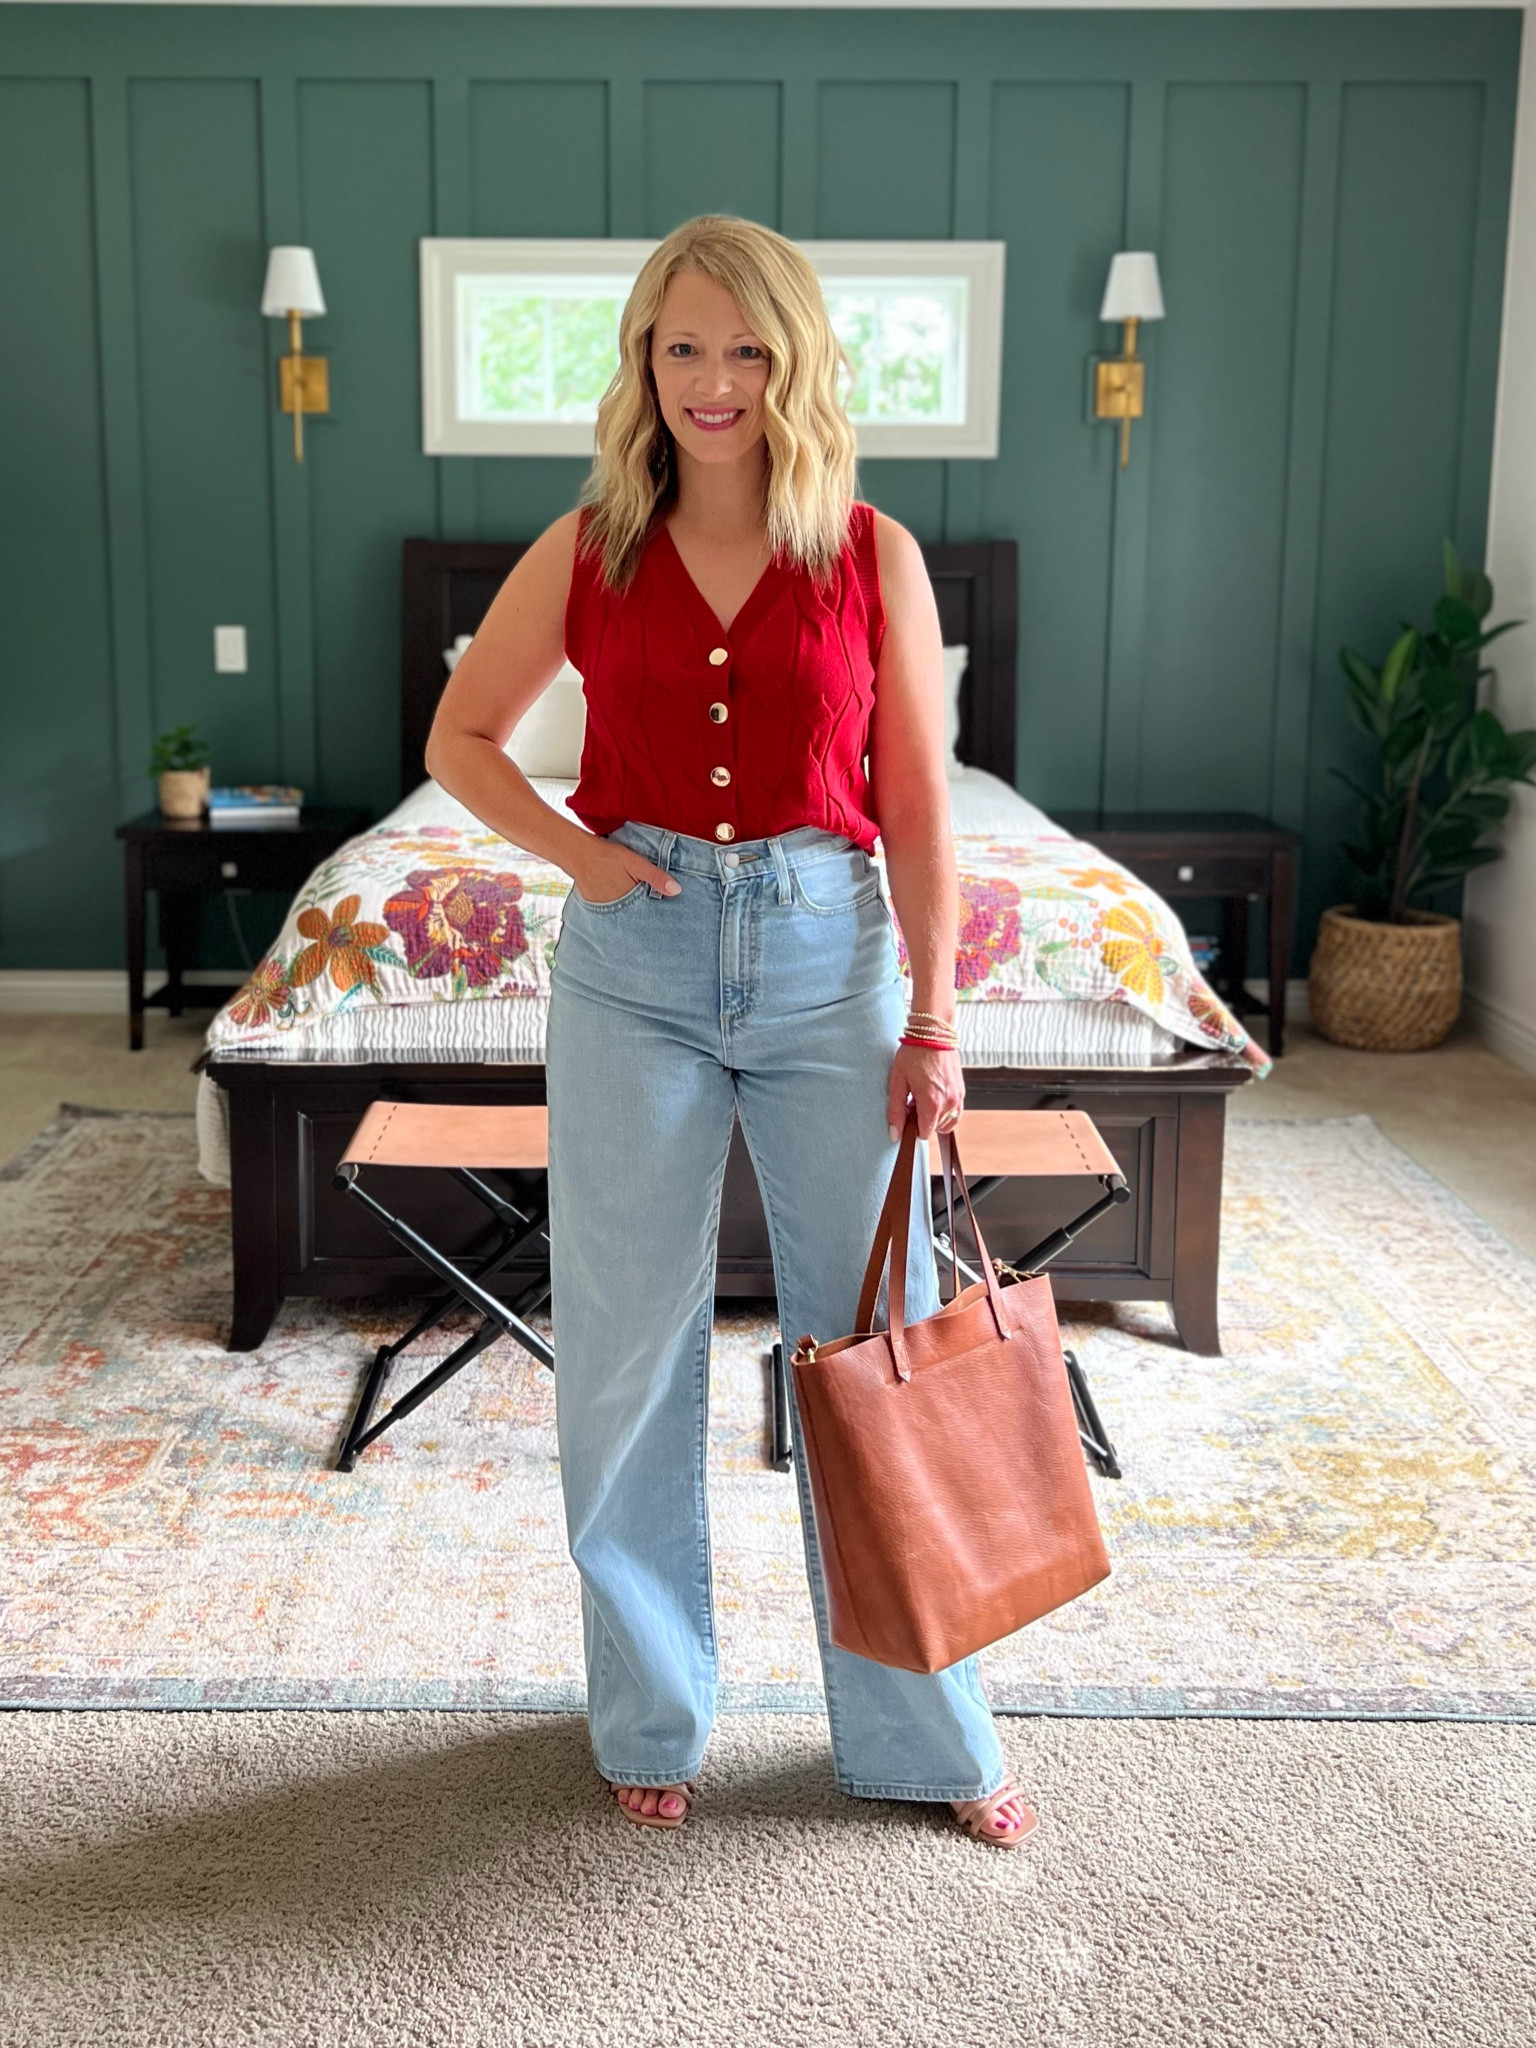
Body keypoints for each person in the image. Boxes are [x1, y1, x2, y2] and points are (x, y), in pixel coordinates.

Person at [425, 215, 1035, 1849]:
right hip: (632, 969)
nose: (714, 382)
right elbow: (464, 739)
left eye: (748, 351)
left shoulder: (872, 553)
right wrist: (591, 863)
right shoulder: (586, 546)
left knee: (871, 1345)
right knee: (623, 1354)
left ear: (797, 362)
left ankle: (924, 1737)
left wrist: (938, 1016)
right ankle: (652, 1714)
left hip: (835, 961)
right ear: (644, 360)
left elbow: (914, 798)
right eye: (683, 348)